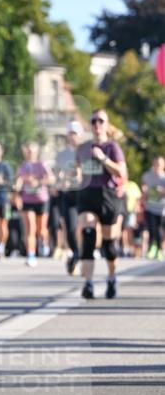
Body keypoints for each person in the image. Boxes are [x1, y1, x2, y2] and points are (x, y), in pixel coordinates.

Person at [75, 110, 126, 300]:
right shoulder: (82, 148)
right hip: (87, 193)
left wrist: (103, 158)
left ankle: (112, 278)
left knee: (108, 244)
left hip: (107, 194)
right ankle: (88, 284)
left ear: (106, 124)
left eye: (100, 121)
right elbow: (78, 170)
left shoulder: (112, 147)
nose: (97, 124)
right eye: (93, 121)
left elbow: (121, 172)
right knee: (88, 234)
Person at [13, 142, 54, 266]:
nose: (30, 153)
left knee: (41, 229)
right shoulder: (23, 166)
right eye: (28, 151)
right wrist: (17, 190)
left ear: (36, 152)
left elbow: (51, 178)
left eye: (32, 151)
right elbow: (19, 180)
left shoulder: (41, 164)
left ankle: (44, 242)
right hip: (27, 200)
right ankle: (31, 255)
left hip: (41, 200)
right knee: (30, 228)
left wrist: (38, 182)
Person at [55, 121, 83, 274]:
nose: (72, 137)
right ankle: (76, 254)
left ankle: (84, 256)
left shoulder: (87, 151)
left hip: (84, 194)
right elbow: (57, 176)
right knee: (71, 228)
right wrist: (60, 180)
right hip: (68, 194)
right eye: (70, 134)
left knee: (85, 227)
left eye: (75, 134)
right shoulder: (61, 155)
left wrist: (82, 176)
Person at [142, 155, 165, 260]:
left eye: (159, 164)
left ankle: (160, 250)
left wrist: (162, 191)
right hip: (150, 207)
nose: (157, 166)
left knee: (159, 230)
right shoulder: (147, 176)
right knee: (151, 229)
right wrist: (144, 191)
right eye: (155, 164)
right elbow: (144, 187)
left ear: (163, 165)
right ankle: (151, 249)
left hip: (161, 208)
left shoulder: (164, 178)